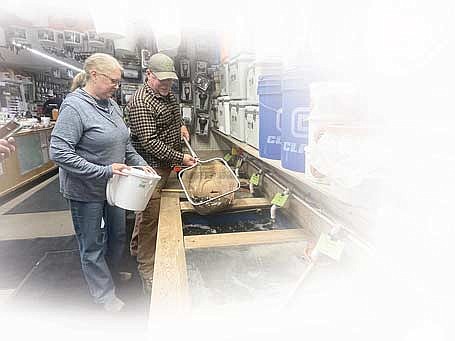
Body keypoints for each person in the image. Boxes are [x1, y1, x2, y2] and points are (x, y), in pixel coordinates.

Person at [49, 53, 153, 312]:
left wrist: (140, 163)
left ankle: (112, 274)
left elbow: (124, 143)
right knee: (92, 242)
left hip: (114, 187)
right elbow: (59, 152)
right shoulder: (75, 107)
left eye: (118, 83)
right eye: (113, 82)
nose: (116, 87)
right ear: (94, 75)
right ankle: (103, 294)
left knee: (117, 236)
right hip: (85, 190)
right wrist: (103, 170)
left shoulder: (112, 105)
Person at [125, 53, 196, 293]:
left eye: (169, 80)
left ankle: (136, 248)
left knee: (144, 212)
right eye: (161, 80)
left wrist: (181, 126)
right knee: (149, 219)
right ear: (148, 75)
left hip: (165, 165)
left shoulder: (168, 94)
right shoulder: (140, 102)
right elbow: (150, 143)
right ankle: (147, 269)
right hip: (150, 167)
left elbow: (174, 115)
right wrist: (181, 158)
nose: (166, 85)